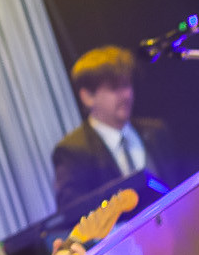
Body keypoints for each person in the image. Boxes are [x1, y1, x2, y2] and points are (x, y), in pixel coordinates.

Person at [52, 45, 179, 213]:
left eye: (126, 85)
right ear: (88, 97)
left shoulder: (156, 131)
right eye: (114, 88)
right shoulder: (72, 151)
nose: (126, 95)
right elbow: (74, 213)